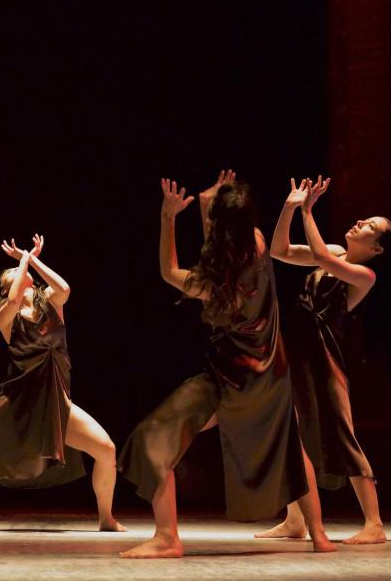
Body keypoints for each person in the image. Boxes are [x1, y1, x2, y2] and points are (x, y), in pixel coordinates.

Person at [118, 173, 335, 558]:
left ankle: (167, 537)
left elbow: (169, 271)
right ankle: (319, 535)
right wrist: (208, 207)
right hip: (271, 373)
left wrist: (168, 217)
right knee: (289, 446)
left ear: (220, 227)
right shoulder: (258, 244)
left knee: (153, 438)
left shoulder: (212, 284)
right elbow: (226, 247)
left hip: (229, 380)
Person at [0, 235, 126, 533]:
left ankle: (106, 518)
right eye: (14, 275)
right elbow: (12, 301)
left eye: (23, 273)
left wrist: (32, 258)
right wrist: (22, 260)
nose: (21, 275)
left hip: (55, 405)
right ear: (7, 289)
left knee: (106, 449)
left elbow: (64, 288)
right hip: (14, 404)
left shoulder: (52, 305)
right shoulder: (4, 317)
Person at [258, 176, 391, 545]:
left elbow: (319, 257)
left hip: (323, 357)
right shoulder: (335, 250)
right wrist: (290, 207)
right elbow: (280, 250)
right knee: (292, 434)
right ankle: (295, 520)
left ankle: (374, 523)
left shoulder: (365, 276)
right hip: (297, 352)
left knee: (341, 433)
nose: (360, 222)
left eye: (370, 227)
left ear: (377, 248)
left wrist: (308, 211)